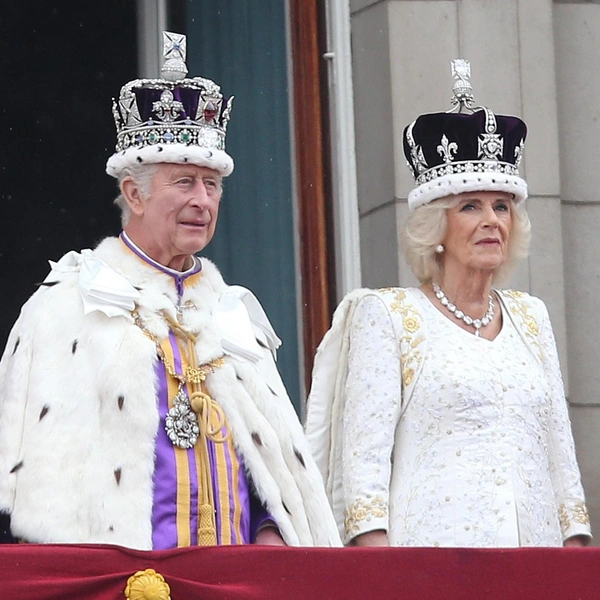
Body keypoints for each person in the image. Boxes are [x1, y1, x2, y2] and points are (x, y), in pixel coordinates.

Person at [0, 32, 341, 550]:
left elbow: (271, 464)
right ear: (134, 193)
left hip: (234, 574)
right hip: (125, 575)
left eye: (212, 184)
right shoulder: (69, 301)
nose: (202, 200)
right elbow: (24, 473)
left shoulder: (232, 313)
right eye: (184, 182)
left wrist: (274, 533)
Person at [305, 60, 591, 548]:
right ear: (435, 226)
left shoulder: (531, 316)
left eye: (501, 206)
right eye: (471, 207)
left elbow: (560, 458)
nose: (492, 220)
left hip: (536, 565)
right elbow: (363, 473)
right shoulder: (389, 315)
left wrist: (576, 548)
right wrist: (382, 574)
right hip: (432, 567)